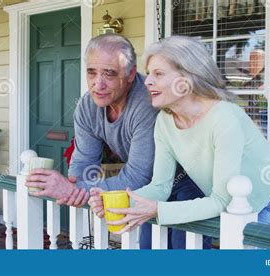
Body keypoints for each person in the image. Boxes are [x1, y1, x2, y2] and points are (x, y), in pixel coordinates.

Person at [88, 36, 270, 242]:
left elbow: (221, 200)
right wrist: (117, 201)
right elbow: (160, 187)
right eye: (149, 73)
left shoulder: (224, 117)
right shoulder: (164, 121)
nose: (148, 81)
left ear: (187, 79)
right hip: (235, 205)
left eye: (159, 74)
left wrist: (157, 210)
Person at [25, 34, 213, 249]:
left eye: (110, 74)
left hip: (192, 181)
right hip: (152, 189)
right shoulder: (87, 106)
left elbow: (138, 175)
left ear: (130, 73)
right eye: (91, 72)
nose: (98, 84)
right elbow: (83, 164)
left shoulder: (148, 102)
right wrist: (75, 187)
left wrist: (74, 191)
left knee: (185, 253)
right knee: (149, 249)